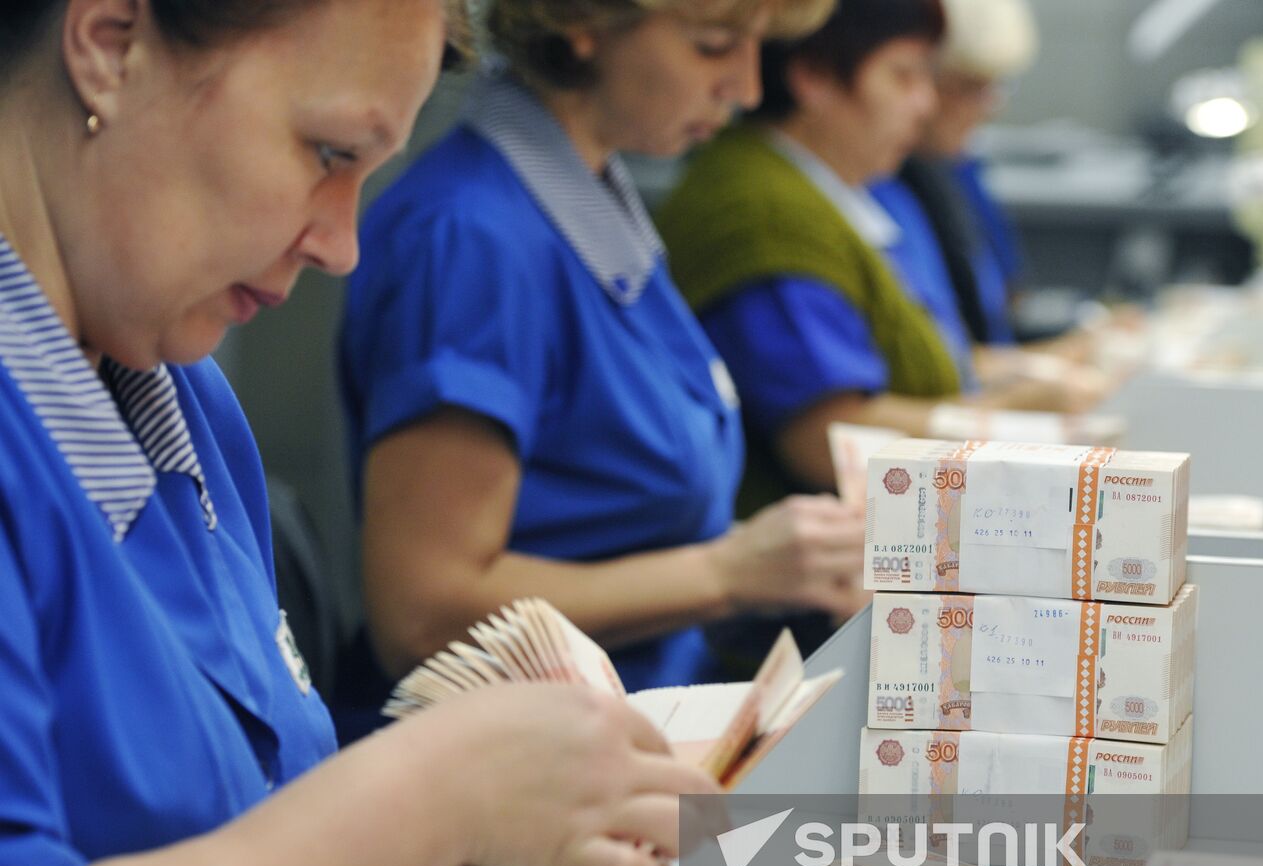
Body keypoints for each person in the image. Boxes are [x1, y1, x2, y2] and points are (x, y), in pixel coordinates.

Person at [0, 2, 719, 866]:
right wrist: (433, 796)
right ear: (110, 45)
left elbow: (244, 828)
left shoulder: (179, 390)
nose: (342, 244)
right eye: (327, 150)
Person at [339, 0, 864, 697]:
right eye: (712, 46)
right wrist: (727, 575)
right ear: (580, 22)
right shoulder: (471, 239)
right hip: (515, 755)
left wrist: (788, 564)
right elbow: (423, 615)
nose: (745, 89)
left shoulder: (583, 199)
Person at [656, 0, 1084, 507]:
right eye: (903, 77)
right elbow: (831, 439)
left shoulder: (839, 190)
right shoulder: (765, 211)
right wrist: (999, 416)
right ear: (814, 77)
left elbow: (920, 361)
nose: (925, 105)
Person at [893, 0, 1038, 348]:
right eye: (970, 86)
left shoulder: (959, 171)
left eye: (996, 86)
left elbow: (1009, 296)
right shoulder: (884, 189)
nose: (990, 107)